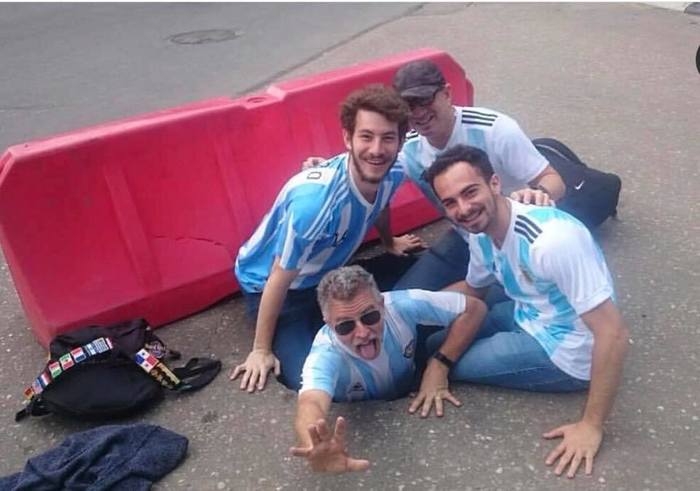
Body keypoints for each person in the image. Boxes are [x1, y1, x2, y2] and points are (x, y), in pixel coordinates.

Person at [424, 144, 629, 479]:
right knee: (433, 343)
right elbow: (473, 291)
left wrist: (591, 425)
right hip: (530, 312)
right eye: (450, 202)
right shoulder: (480, 232)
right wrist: (403, 305)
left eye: (470, 192)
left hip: (567, 351)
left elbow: (613, 333)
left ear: (494, 183)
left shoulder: (552, 242)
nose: (463, 208)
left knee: (446, 362)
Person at [304, 59, 566, 292]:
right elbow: (373, 177)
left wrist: (538, 194)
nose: (419, 112)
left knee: (502, 308)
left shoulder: (495, 129)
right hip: (467, 238)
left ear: (447, 94)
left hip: (514, 239)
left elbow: (553, 179)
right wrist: (326, 170)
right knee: (407, 301)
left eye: (425, 100)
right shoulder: (408, 148)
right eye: (409, 105)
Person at [230, 85, 424, 393]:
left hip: (329, 274)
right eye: (366, 136)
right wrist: (261, 350)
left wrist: (389, 242)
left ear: (400, 142)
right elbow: (279, 276)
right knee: (306, 377)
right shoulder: (315, 204)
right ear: (347, 138)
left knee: (423, 269)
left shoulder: (394, 170)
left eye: (388, 138)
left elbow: (381, 202)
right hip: (278, 287)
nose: (377, 149)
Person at [290, 265, 487, 473]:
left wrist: (439, 364)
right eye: (345, 326)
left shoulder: (402, 305)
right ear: (328, 324)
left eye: (369, 317)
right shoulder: (325, 353)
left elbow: (474, 309)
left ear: (382, 305)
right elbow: (310, 402)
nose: (362, 333)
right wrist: (315, 446)